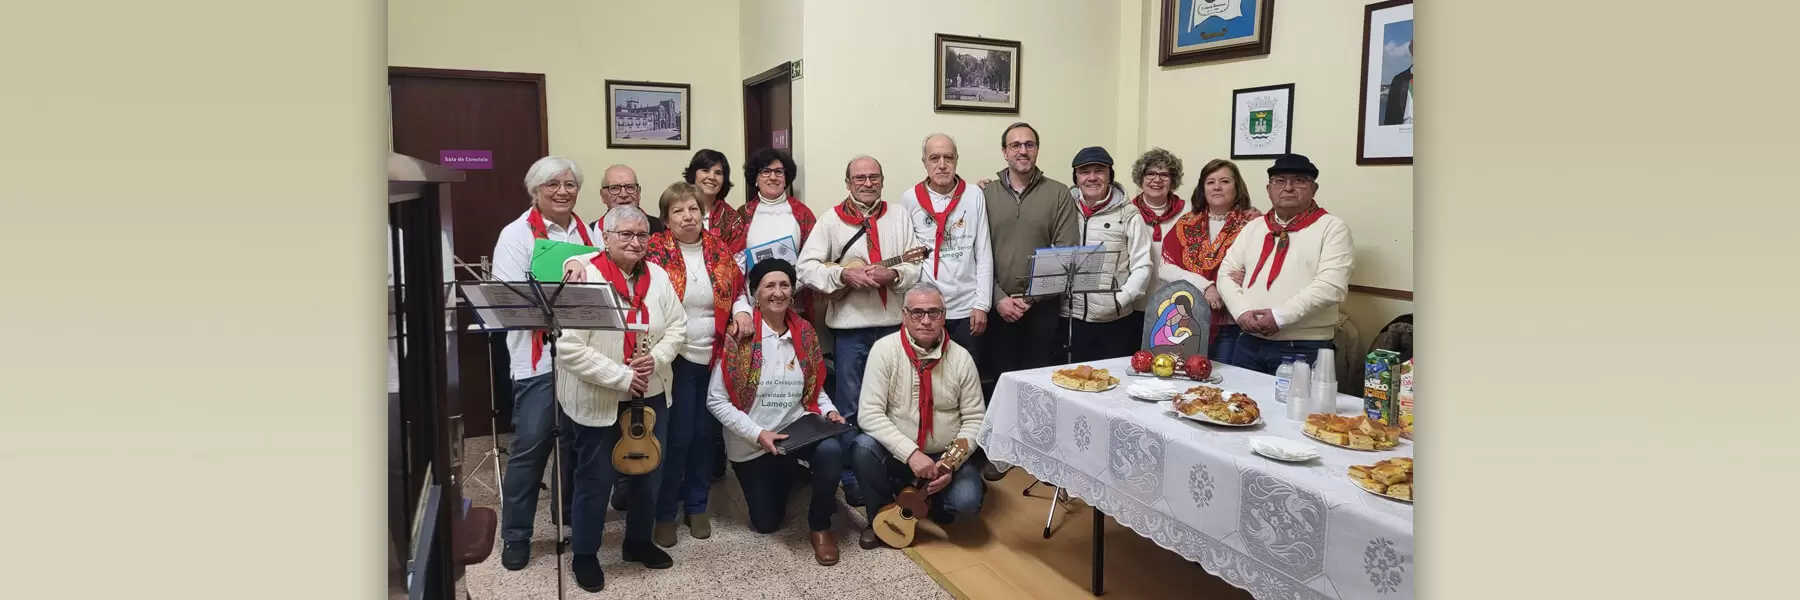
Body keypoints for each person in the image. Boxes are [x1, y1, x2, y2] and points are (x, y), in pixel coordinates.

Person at [554, 205, 687, 592]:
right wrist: (623, 376)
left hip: (651, 393)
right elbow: (569, 349)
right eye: (625, 235)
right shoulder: (584, 278)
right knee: (594, 479)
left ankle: (638, 542)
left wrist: (655, 359)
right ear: (606, 238)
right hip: (600, 397)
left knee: (648, 473)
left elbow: (677, 328)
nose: (635, 242)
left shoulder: (658, 276)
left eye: (642, 235)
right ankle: (585, 554)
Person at [793, 155, 925, 507]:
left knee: (897, 403)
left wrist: (895, 275)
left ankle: (890, 470)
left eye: (874, 177)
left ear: (882, 180)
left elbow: (916, 266)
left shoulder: (899, 216)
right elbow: (804, 269)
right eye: (859, 178)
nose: (867, 183)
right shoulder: (830, 220)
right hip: (852, 333)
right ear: (848, 183)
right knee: (851, 405)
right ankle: (852, 477)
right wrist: (842, 275)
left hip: (895, 328)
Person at [706, 258, 850, 566]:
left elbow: (814, 386)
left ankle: (820, 524)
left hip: (796, 429)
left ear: (793, 291)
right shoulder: (740, 337)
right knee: (767, 523)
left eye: (785, 285)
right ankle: (790, 471)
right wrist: (759, 434)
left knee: (831, 450)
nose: (778, 292)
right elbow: (716, 401)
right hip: (753, 442)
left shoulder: (805, 332)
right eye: (769, 285)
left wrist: (830, 411)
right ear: (755, 293)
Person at [490, 155, 590, 571]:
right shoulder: (515, 235)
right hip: (537, 360)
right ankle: (515, 535)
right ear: (535, 191)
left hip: (582, 356)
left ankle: (564, 519)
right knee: (530, 447)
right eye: (553, 185)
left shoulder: (590, 232)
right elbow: (508, 297)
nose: (563, 192)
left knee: (574, 445)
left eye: (569, 184)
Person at [641, 183, 745, 547]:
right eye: (678, 211)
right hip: (675, 359)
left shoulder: (718, 247)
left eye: (692, 209)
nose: (687, 217)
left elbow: (739, 288)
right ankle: (665, 511)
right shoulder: (654, 251)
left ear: (703, 213)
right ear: (666, 219)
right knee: (676, 437)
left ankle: (697, 505)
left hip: (714, 355)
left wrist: (743, 311)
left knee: (705, 437)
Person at [975, 122, 1077, 482]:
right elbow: (975, 254)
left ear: (1037, 150)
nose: (1022, 151)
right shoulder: (982, 195)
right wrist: (1000, 299)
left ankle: (1039, 453)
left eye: (1029, 144)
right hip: (996, 304)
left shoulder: (1059, 193)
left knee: (1039, 381)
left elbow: (1066, 253)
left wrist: (1030, 299)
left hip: (1042, 307)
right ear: (1004, 151)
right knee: (1000, 380)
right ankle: (1000, 451)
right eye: (1015, 145)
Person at [851, 282, 987, 549]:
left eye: (934, 313)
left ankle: (932, 498)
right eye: (917, 313)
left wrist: (949, 466)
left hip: (944, 456)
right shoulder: (884, 350)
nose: (926, 321)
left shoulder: (961, 359)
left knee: (968, 502)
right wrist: (911, 454)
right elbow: (868, 414)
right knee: (862, 448)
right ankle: (878, 516)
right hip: (899, 455)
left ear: (944, 316)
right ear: (904, 315)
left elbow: (976, 419)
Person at [1216, 154, 1355, 374]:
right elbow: (1226, 273)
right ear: (1269, 189)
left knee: (1296, 409)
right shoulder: (1254, 227)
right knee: (1240, 406)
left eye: (1299, 180)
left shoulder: (1332, 228)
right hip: (1247, 343)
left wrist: (1280, 317)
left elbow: (1331, 286)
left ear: (1314, 188)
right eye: (1279, 181)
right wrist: (1241, 312)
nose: (1288, 188)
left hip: (1303, 346)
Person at [1156, 159, 1262, 361]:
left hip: (1233, 322)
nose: (1217, 187)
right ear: (1202, 188)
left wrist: (1246, 277)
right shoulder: (1187, 222)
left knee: (1226, 385)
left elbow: (1263, 268)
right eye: (1210, 182)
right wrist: (1205, 285)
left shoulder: (1254, 222)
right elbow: (1165, 268)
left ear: (1237, 186)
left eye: (1225, 181)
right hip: (1190, 319)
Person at [901, 133, 992, 351]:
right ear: (924, 162)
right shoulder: (910, 198)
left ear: (956, 160)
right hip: (926, 310)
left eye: (948, 158)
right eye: (934, 158)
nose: (942, 165)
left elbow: (984, 252)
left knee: (966, 378)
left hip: (967, 308)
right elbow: (907, 257)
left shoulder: (974, 194)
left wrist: (982, 305)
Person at [1062, 146, 1152, 363]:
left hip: (1113, 320)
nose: (1092, 178)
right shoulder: (1062, 206)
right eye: (1084, 172)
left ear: (1110, 175)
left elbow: (1143, 265)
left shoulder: (1129, 214)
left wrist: (1120, 300)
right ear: (1076, 177)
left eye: (1099, 171)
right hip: (1069, 317)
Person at [1127, 148, 1188, 320]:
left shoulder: (1189, 213)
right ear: (1141, 178)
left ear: (1173, 180)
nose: (1157, 180)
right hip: (1134, 306)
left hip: (1175, 307)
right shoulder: (1127, 213)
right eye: (1150, 174)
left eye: (1164, 175)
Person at [683, 149, 749, 254]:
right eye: (705, 170)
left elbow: (738, 261)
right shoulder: (678, 209)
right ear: (693, 174)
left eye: (718, 173)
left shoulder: (732, 219)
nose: (712, 177)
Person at [588, 164, 666, 238]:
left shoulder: (661, 228)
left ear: (638, 193)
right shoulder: (591, 232)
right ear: (603, 196)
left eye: (630, 187)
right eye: (615, 188)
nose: (623, 194)